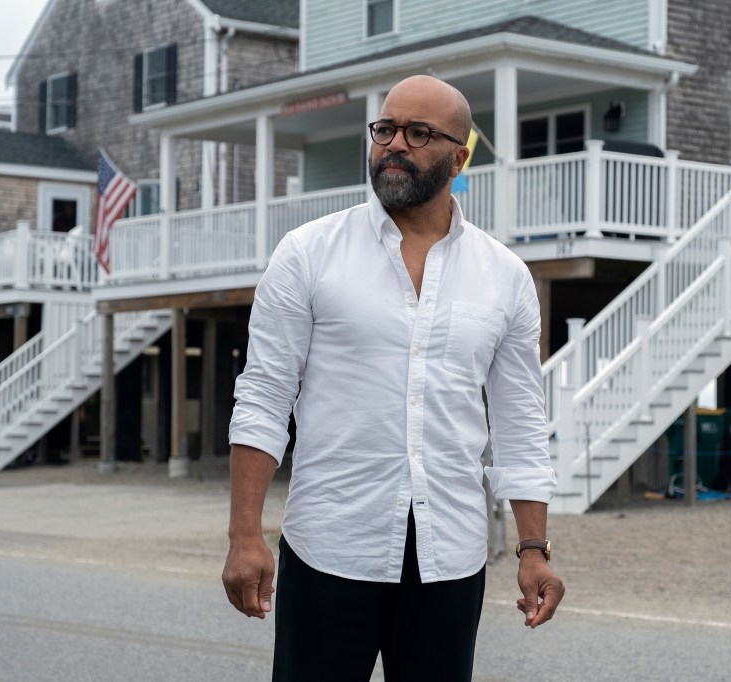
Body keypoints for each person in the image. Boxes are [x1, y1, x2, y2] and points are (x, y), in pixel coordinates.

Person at [222, 74, 564, 682]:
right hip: (329, 549)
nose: (394, 144)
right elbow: (264, 398)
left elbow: (518, 421)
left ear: (460, 157)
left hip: (449, 562)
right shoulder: (307, 253)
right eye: (385, 129)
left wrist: (533, 549)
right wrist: (244, 535)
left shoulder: (505, 276)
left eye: (418, 132)